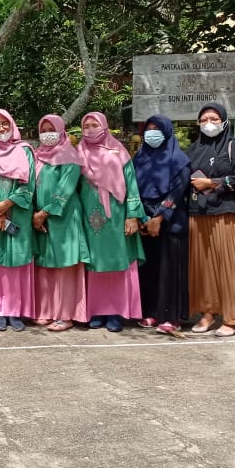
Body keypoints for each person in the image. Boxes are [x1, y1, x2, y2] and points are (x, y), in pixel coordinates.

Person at [186, 102, 235, 336]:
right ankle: (207, 313)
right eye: (204, 120)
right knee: (203, 268)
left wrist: (213, 183)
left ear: (224, 121)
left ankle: (232, 317)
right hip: (198, 214)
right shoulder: (193, 149)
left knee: (230, 266)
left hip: (226, 214)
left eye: (214, 119)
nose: (209, 124)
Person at [76, 112, 145, 332]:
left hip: (116, 215)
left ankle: (116, 311)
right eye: (85, 125)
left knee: (117, 262)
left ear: (104, 126)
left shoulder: (119, 152)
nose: (89, 129)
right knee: (94, 263)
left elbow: (131, 185)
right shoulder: (78, 152)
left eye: (94, 124)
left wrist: (132, 215)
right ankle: (97, 310)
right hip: (89, 215)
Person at [0, 109, 36, 330]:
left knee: (17, 262)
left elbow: (29, 186)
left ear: (12, 125)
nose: (1, 128)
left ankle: (16, 311)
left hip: (19, 213)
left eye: (5, 124)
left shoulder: (25, 151)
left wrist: (7, 205)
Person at [133, 115, 191, 335]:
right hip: (145, 222)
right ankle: (151, 312)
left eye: (157, 128)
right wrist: (140, 217)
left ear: (167, 131)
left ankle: (171, 317)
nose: (152, 132)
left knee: (170, 270)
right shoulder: (139, 158)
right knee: (149, 269)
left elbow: (177, 191)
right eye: (148, 128)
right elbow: (132, 188)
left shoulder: (179, 160)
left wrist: (159, 217)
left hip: (171, 223)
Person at [32, 114, 89, 331]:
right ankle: (46, 310)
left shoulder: (69, 155)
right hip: (41, 219)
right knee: (46, 265)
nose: (47, 134)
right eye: (43, 129)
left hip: (63, 218)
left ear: (61, 130)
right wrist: (35, 213)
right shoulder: (38, 156)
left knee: (65, 266)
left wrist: (44, 212)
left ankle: (66, 314)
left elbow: (66, 188)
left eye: (51, 129)